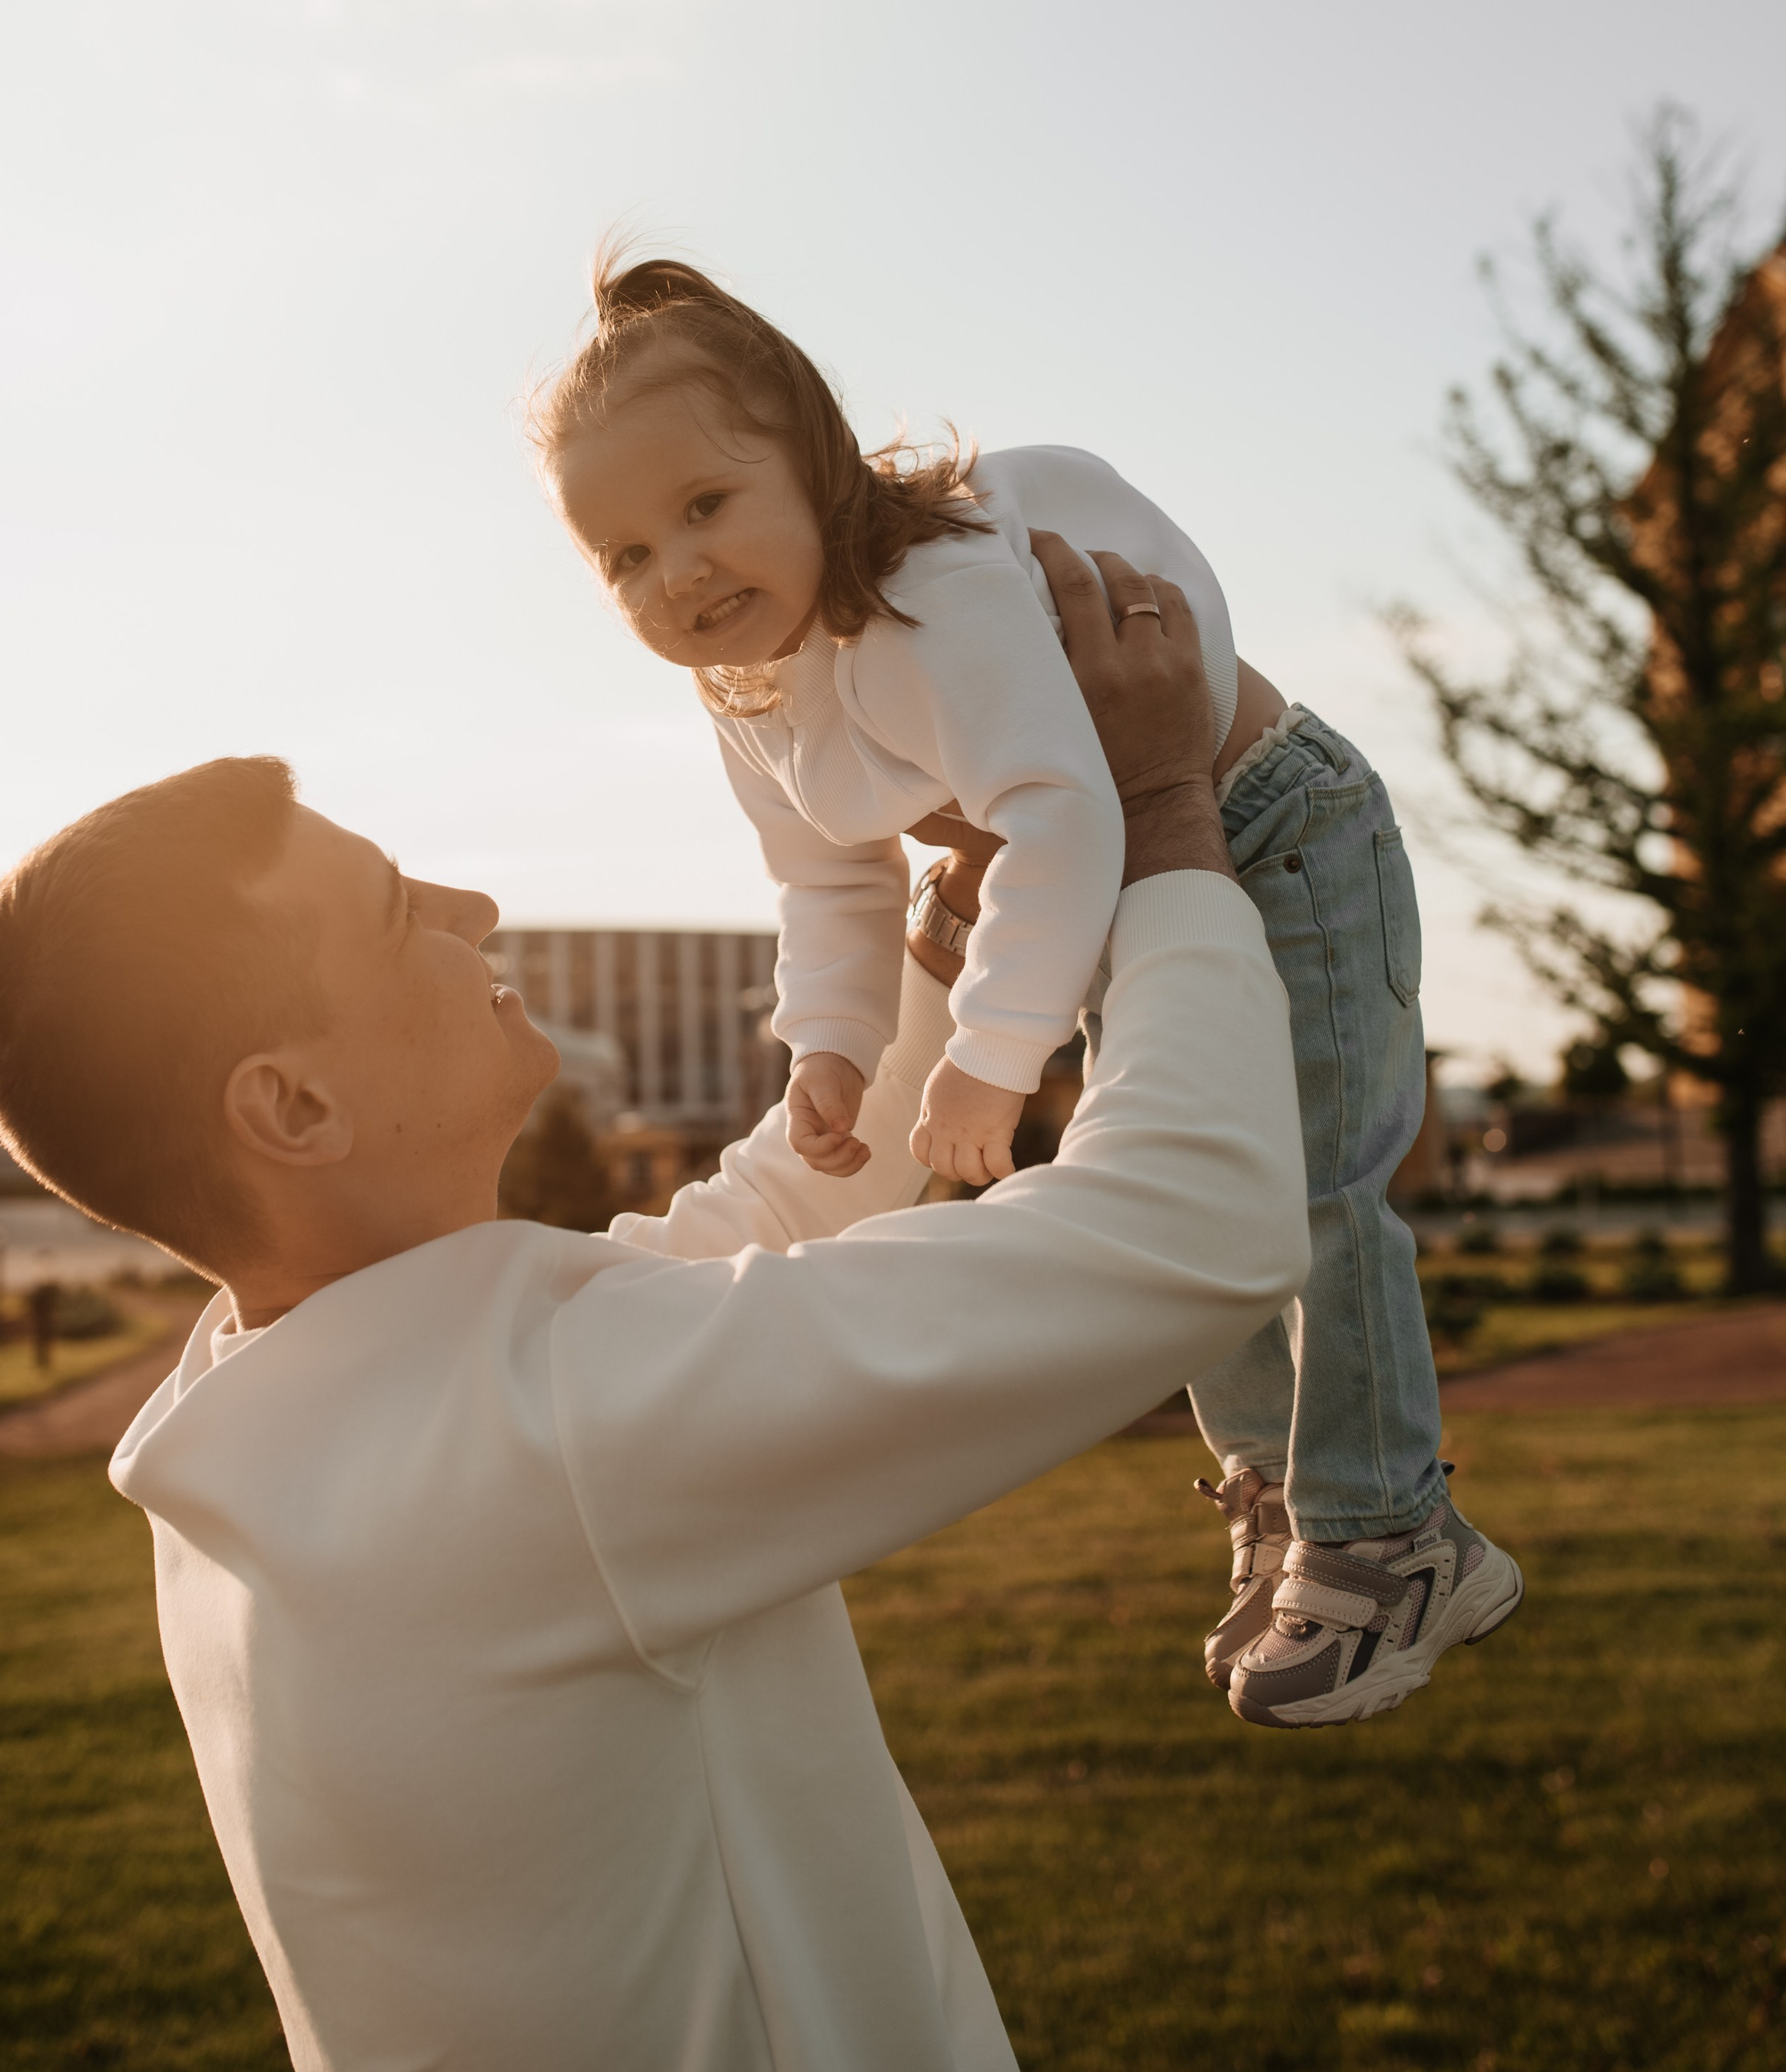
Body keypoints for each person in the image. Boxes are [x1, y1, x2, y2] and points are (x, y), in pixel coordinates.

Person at [0, 546, 1307, 2072]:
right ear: (295, 1106)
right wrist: (1161, 812)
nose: (474, 904)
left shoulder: (272, 1423)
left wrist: (946, 938)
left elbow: (760, 1224)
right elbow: (1192, 1221)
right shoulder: (548, 1431)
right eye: (396, 910)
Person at [532, 257, 1523, 1725]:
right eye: (621, 554)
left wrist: (993, 1054)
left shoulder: (926, 598)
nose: (674, 572)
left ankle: (1395, 1535)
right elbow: (829, 882)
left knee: (1315, 1186)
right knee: (1198, 1179)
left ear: (815, 463)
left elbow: (1060, 809)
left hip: (1273, 824)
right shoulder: (750, 687)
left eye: (705, 505)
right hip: (1131, 871)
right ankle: (1279, 1499)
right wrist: (830, 1046)